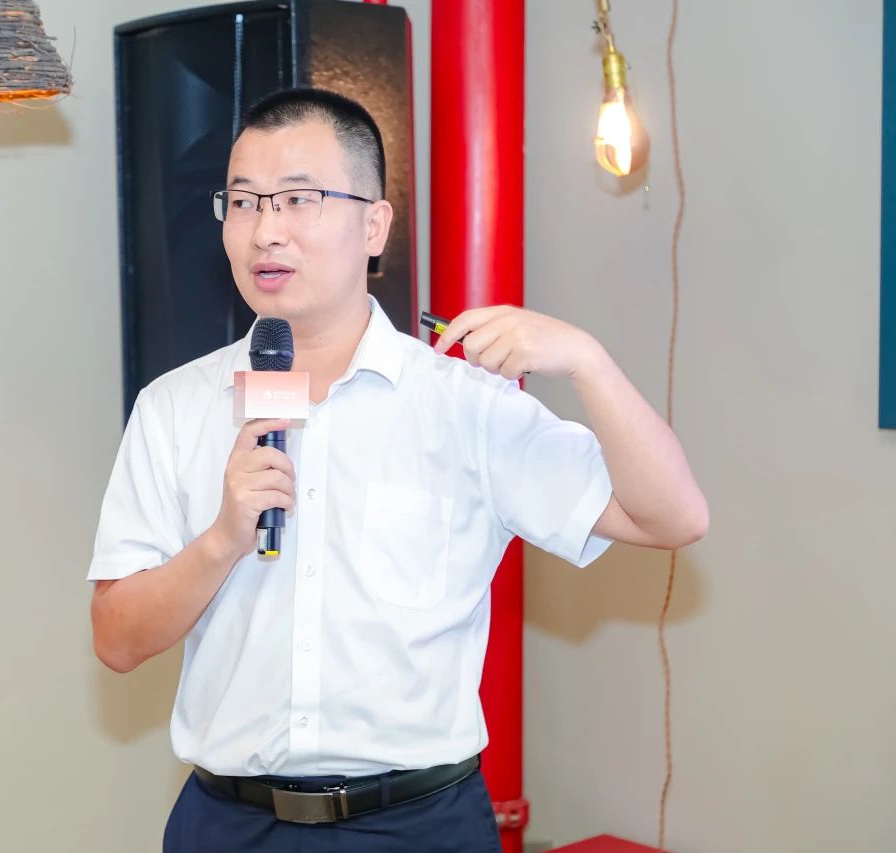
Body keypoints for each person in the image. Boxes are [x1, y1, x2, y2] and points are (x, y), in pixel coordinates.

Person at [89, 88, 708, 852]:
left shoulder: (463, 401)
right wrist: (220, 540)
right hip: (227, 823)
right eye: (243, 202)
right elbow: (115, 638)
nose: (265, 230)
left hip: (418, 824)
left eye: (298, 199)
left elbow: (673, 515)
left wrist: (587, 361)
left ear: (374, 225)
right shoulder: (174, 406)